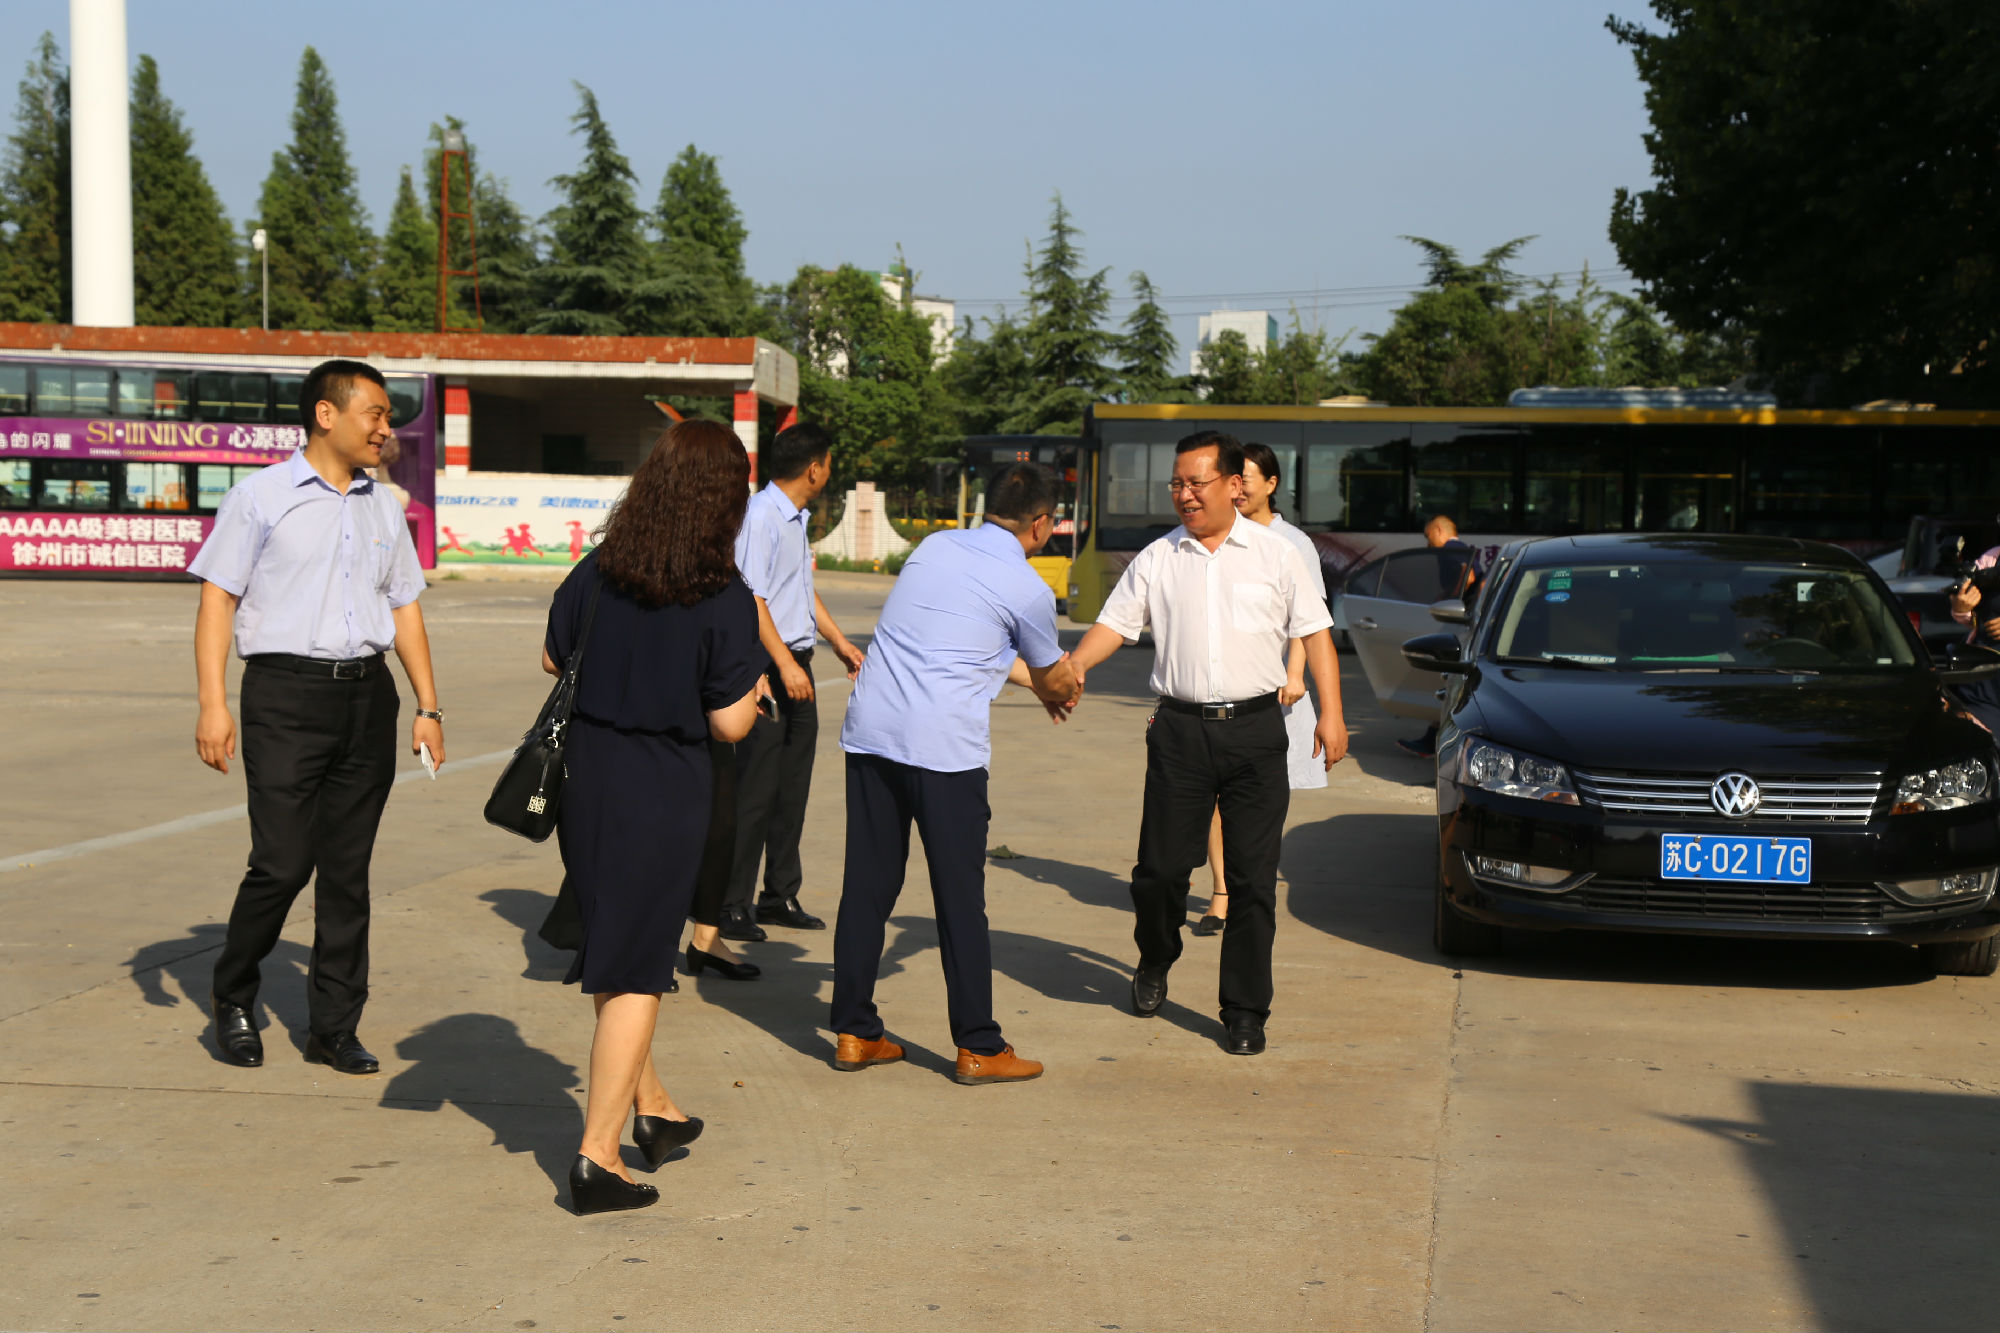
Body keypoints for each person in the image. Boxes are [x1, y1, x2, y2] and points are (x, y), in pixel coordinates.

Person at [190, 359, 445, 1076]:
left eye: (388, 416)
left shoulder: (382, 505)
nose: (386, 428)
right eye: (375, 414)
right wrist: (213, 703)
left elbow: (404, 605)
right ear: (326, 415)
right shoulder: (259, 498)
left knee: (346, 873)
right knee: (280, 864)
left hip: (367, 698)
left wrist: (427, 705)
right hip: (284, 697)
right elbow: (217, 601)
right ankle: (233, 994)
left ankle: (333, 1027)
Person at [540, 419, 767, 1215]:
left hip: (588, 781)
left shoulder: (601, 568)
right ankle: (598, 1157)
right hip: (663, 788)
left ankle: (654, 1107)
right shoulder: (723, 595)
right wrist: (748, 687)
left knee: (616, 946)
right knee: (637, 968)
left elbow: (552, 656)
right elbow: (731, 723)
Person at [1067, 431, 1345, 1057]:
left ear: (1232, 485)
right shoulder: (1159, 557)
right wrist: (1075, 666)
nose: (1185, 495)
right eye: (1177, 484)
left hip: (1256, 732)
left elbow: (1316, 634)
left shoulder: (1277, 555)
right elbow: (1114, 624)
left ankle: (1244, 1010)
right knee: (1160, 872)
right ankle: (1156, 955)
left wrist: (1332, 714)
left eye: (1197, 483)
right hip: (1180, 733)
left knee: (1253, 881)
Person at [828, 462, 1079, 1084]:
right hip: (943, 750)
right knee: (960, 899)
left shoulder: (934, 548)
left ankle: (854, 1032)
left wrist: (1039, 680)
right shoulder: (1027, 587)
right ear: (1042, 524)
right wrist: (1061, 682)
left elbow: (964, 645)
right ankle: (979, 1046)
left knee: (867, 887)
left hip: (873, 733)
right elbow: (1052, 676)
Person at [723, 422, 867, 943]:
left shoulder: (794, 519)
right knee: (755, 790)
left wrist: (838, 640)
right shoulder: (761, 517)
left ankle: (779, 894)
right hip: (764, 670)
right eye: (828, 463)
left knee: (791, 789)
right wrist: (783, 663)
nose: (829, 472)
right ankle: (730, 903)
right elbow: (750, 598)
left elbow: (799, 589)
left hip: (794, 663)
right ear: (813, 468)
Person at [1191, 442, 1328, 937]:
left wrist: (1295, 675)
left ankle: (1250, 890)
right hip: (1217, 697)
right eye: (1232, 480)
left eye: (1245, 480)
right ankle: (1222, 892)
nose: (1238, 490)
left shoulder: (1292, 544)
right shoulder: (1216, 537)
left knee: (1255, 807)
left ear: (1270, 484)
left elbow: (1309, 622)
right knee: (1213, 800)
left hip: (1274, 699)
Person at [1396, 515, 1479, 759]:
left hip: (1459, 624)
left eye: (1428, 535)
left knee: (1448, 682)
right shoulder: (1463, 549)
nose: (1427, 543)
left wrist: (1450, 597)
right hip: (1467, 622)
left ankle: (1435, 741)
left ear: (1439, 530)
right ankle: (1433, 739)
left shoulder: (1451, 550)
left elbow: (1469, 577)